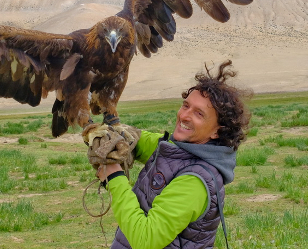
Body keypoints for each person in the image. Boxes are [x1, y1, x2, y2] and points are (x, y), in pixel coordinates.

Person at [88, 60, 252, 249]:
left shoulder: (196, 181)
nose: (184, 116)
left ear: (217, 131)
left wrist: (114, 176)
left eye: (199, 114)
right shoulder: (178, 149)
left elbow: (145, 239)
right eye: (185, 105)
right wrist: (106, 134)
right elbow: (139, 141)